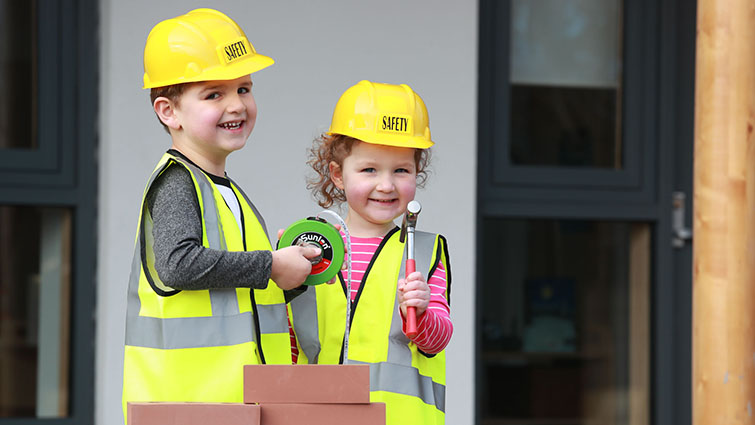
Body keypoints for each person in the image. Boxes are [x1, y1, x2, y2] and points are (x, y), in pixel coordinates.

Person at [121, 8, 321, 421]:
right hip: (190, 405)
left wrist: (292, 270)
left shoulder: (228, 194)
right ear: (168, 111)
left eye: (244, 89)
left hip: (235, 405)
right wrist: (270, 266)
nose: (237, 105)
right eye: (214, 94)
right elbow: (177, 265)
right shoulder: (178, 183)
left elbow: (242, 295)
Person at [289, 80, 453, 424]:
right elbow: (284, 343)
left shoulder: (424, 252)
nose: (386, 185)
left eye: (401, 170)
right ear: (337, 174)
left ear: (416, 173)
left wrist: (421, 314)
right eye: (369, 169)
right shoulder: (306, 247)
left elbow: (436, 342)